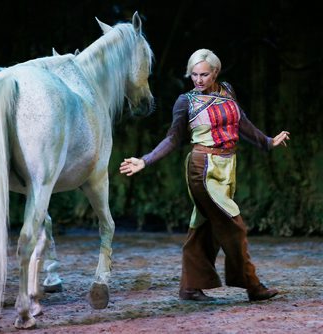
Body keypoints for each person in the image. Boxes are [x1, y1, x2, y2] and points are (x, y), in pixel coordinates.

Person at [119, 49, 290, 302]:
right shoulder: (185, 101)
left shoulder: (227, 91)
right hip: (203, 167)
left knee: (203, 227)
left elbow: (241, 122)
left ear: (215, 73)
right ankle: (252, 286)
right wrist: (145, 160)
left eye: (204, 75)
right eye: (194, 75)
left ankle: (189, 288)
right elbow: (173, 138)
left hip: (227, 166)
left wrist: (267, 141)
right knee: (234, 226)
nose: (198, 80)